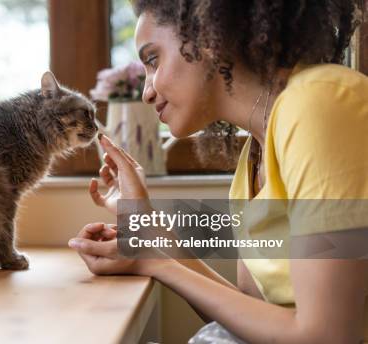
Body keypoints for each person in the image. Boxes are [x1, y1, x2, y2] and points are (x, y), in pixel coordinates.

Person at [68, 1, 368, 343]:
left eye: (153, 60)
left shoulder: (323, 102)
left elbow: (327, 335)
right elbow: (248, 316)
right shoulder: (253, 157)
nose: (147, 92)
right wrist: (144, 225)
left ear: (207, 37)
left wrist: (152, 263)